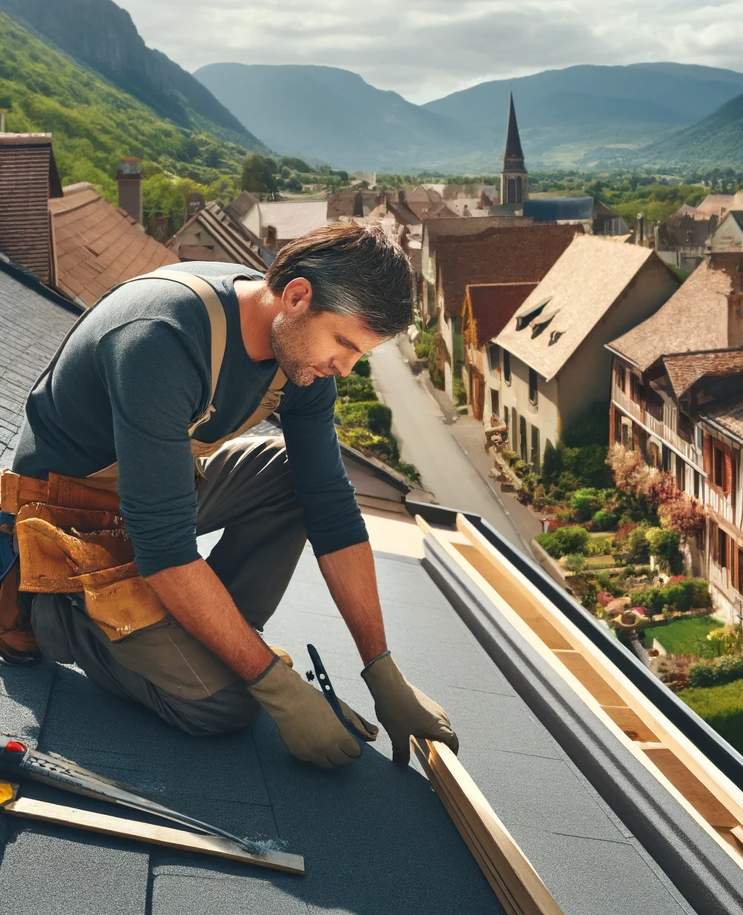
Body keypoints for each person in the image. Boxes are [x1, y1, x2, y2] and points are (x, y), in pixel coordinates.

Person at [5, 223, 457, 769]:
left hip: (151, 498)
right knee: (225, 706)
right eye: (344, 343)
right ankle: (46, 609)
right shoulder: (161, 338)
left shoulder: (297, 350)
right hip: (68, 525)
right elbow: (165, 550)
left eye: (360, 353)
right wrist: (277, 688)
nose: (345, 367)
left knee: (296, 475)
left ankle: (218, 636)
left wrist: (381, 670)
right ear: (297, 296)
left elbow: (332, 508)